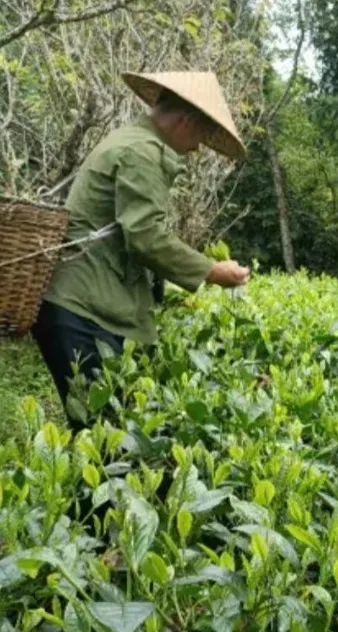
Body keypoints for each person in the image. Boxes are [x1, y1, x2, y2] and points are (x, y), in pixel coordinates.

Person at [33, 71, 251, 427]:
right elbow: (145, 236)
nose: (197, 149)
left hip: (81, 303)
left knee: (103, 432)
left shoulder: (130, 140)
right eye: (201, 137)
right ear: (186, 121)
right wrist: (211, 272)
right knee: (106, 437)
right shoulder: (142, 153)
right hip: (82, 309)